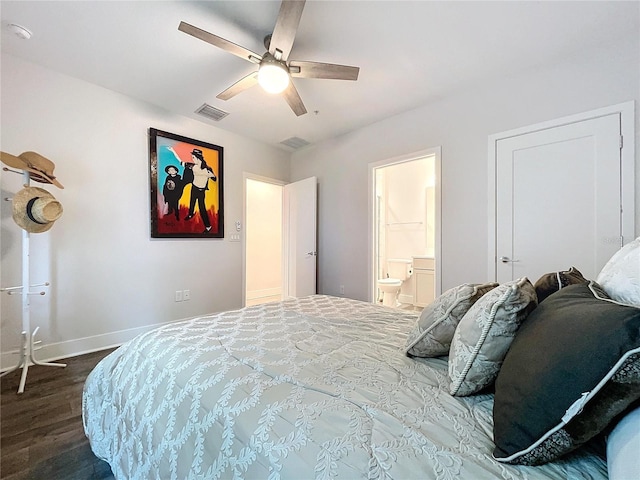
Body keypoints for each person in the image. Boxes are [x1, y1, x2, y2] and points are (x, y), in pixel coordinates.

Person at [183, 149, 217, 233]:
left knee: (202, 208)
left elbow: (215, 178)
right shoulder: (193, 166)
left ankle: (208, 226)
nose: (192, 159)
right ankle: (191, 214)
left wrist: (210, 175)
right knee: (192, 202)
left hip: (201, 191)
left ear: (199, 158)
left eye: (193, 157)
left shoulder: (207, 169)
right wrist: (172, 151)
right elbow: (182, 162)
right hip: (194, 187)